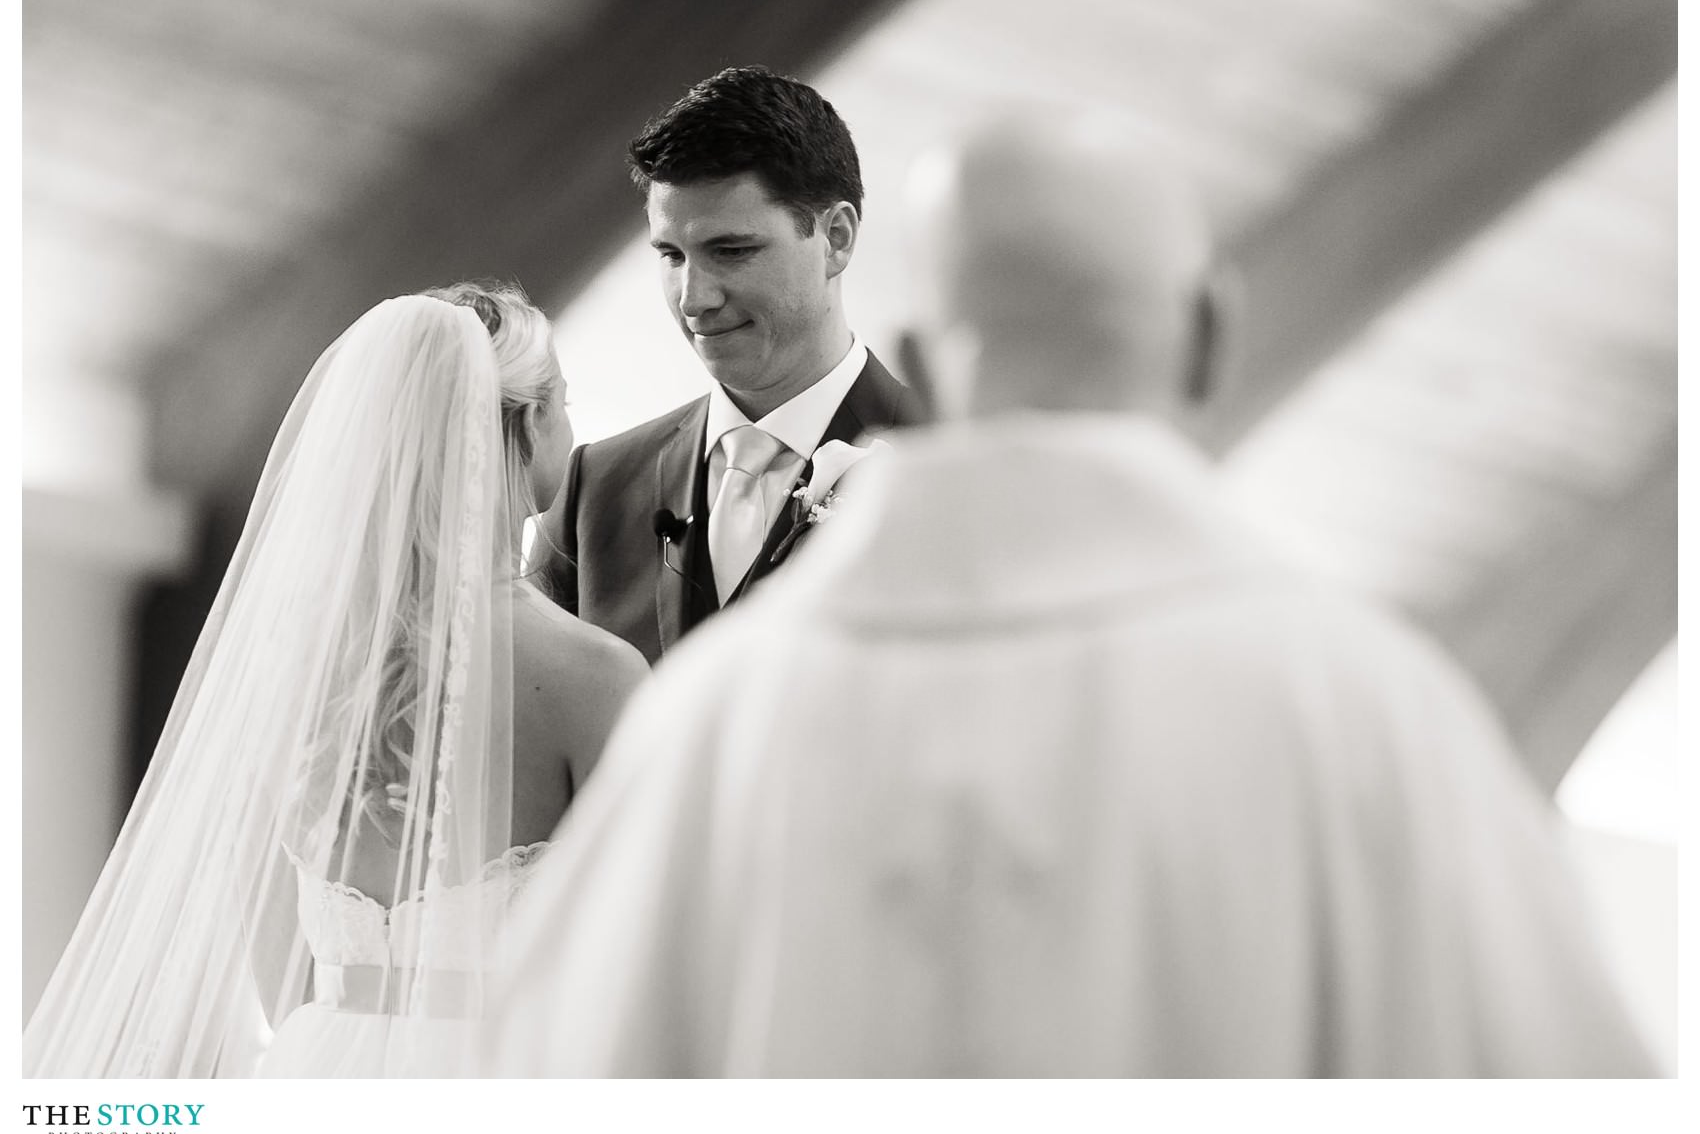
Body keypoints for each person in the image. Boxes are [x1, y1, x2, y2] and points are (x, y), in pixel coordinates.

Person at [488, 117, 1657, 1077]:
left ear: (924, 359)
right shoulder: (1361, 707)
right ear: (1210, 335)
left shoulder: (712, 720)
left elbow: (560, 1077)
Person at [24, 283, 647, 1079]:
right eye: (561, 400)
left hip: (319, 1067)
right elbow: (635, 957)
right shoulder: (594, 675)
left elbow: (280, 975)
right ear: (523, 424)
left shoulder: (291, 666)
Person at [542, 66, 924, 665]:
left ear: (837, 238)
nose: (693, 298)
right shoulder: (595, 485)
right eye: (671, 255)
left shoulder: (946, 458)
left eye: (731, 251)